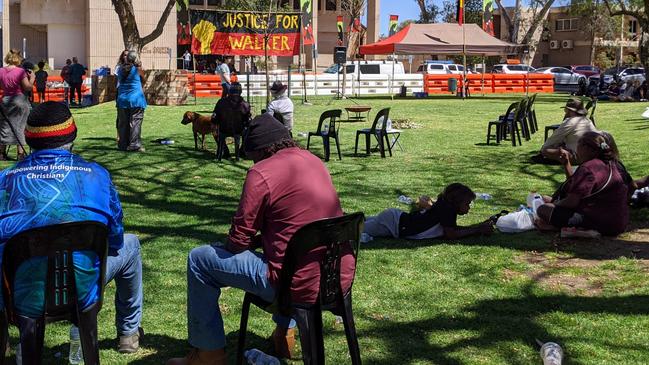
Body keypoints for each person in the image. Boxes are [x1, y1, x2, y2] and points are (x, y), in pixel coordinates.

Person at [167, 115, 352, 365]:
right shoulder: (313, 161)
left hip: (294, 285)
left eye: (252, 155)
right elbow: (297, 226)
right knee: (286, 255)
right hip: (337, 277)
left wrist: (243, 240)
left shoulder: (261, 172)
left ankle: (208, 355)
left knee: (199, 259)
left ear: (260, 150)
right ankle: (284, 333)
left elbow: (238, 240)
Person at [0, 101, 144, 353]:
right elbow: (116, 239)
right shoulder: (98, 175)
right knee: (130, 246)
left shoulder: (6, 179)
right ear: (72, 135)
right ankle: (128, 335)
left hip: (19, 292)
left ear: (29, 139)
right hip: (82, 287)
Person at [535, 131, 632, 236]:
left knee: (543, 209)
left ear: (587, 148)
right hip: (619, 221)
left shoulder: (588, 168)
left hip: (600, 222)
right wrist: (566, 163)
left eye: (578, 145)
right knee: (546, 199)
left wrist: (554, 204)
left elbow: (572, 202)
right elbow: (575, 186)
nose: (576, 150)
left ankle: (558, 227)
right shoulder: (615, 163)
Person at [363, 183, 494, 240]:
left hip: (395, 218)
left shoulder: (445, 207)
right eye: (467, 204)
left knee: (360, 222)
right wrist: (478, 230)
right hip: (393, 224)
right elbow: (451, 234)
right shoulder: (447, 211)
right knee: (354, 229)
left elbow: (452, 229)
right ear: (456, 202)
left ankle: (345, 217)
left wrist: (478, 227)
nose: (469, 207)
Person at [0, 49, 34, 161]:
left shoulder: (1, 71)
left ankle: (2, 153)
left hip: (5, 100)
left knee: (5, 126)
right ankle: (20, 154)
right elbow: (27, 87)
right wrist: (32, 79)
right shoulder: (20, 71)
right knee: (21, 125)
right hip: (19, 100)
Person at [540, 97, 597, 163]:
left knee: (546, 150)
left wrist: (543, 150)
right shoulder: (587, 120)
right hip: (592, 155)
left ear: (569, 110)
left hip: (579, 156)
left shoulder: (570, 121)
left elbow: (554, 138)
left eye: (565, 110)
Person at [116, 50, 147, 152]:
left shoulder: (120, 69)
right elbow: (144, 80)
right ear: (135, 59)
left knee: (123, 123)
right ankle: (134, 145)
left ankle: (123, 145)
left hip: (122, 100)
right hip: (136, 100)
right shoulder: (138, 70)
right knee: (135, 122)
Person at [211, 82, 250, 158]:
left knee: (215, 132)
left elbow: (214, 117)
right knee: (249, 130)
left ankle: (225, 151)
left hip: (223, 129)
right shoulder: (245, 104)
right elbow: (247, 120)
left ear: (229, 91)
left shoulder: (221, 102)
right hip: (239, 130)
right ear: (240, 92)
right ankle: (242, 151)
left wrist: (215, 124)